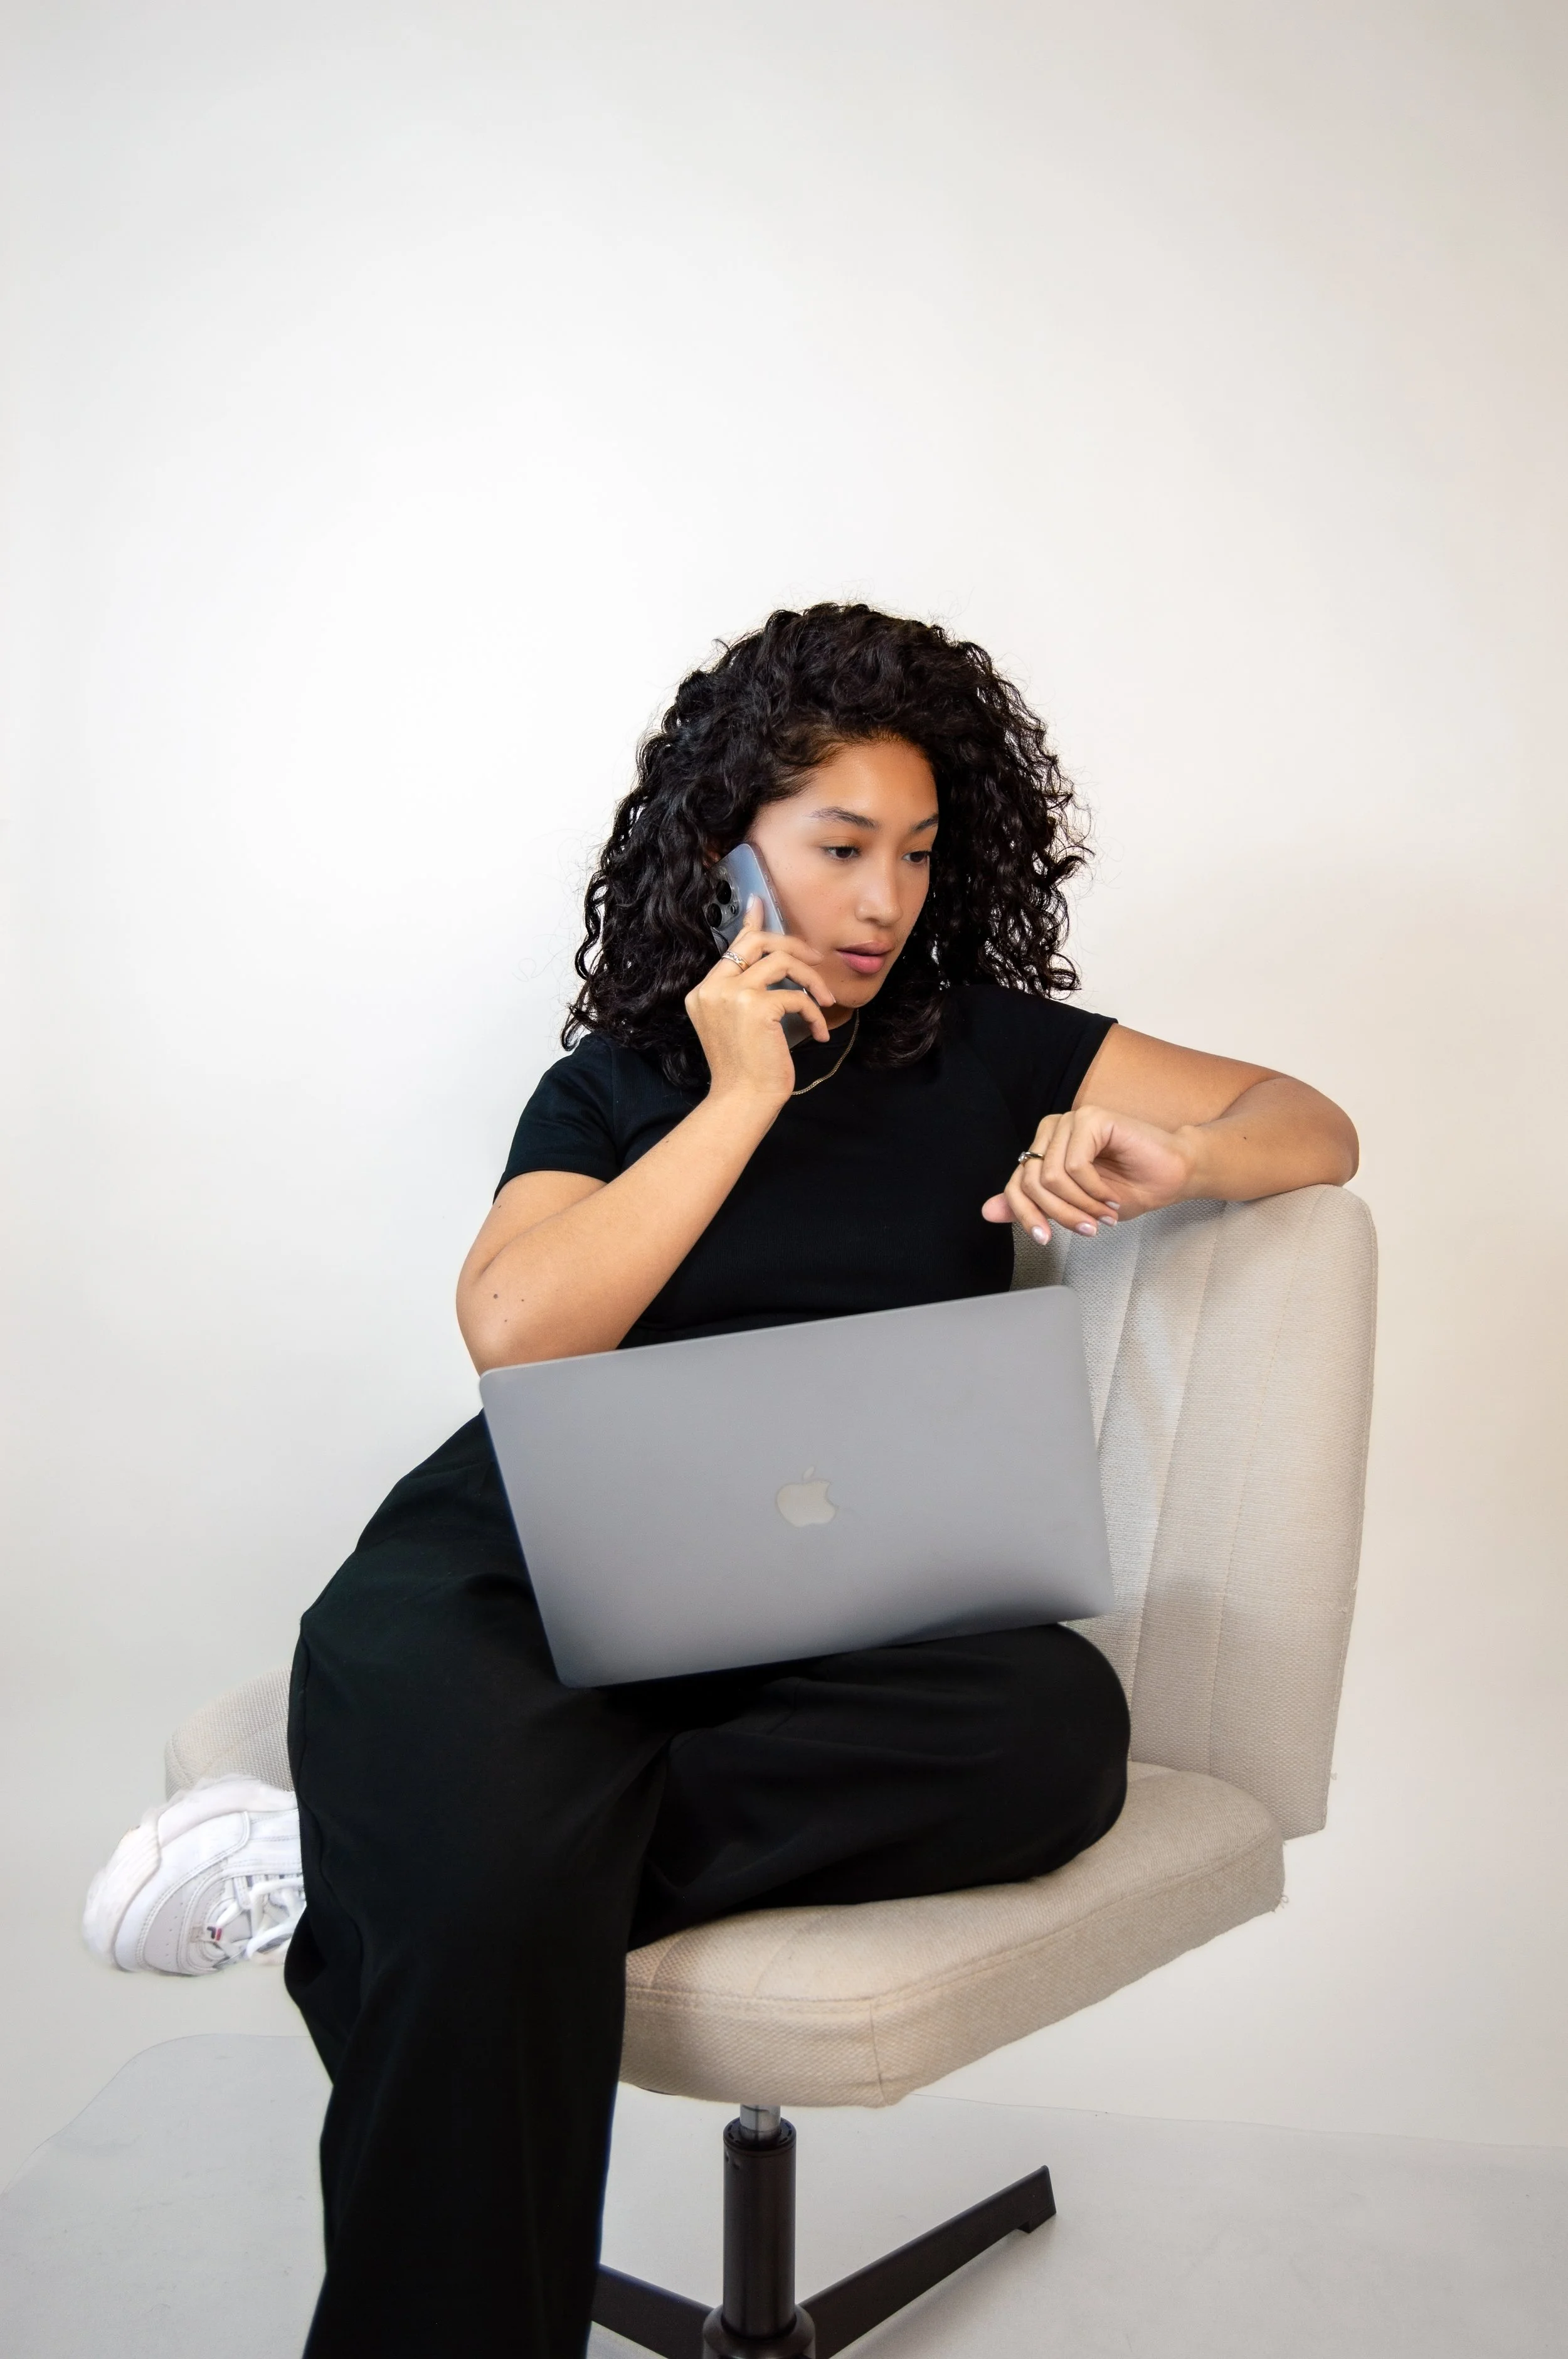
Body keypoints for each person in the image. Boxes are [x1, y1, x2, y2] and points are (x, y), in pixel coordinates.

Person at [108, 605, 1359, 2356]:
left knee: (1049, 1732)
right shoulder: (617, 1083)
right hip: (522, 1570)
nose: (881, 902)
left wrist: (1178, 1157)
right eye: (838, 849)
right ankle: (439, 1868)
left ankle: (379, 1863)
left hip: (829, 1603)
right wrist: (737, 1098)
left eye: (916, 854)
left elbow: (1311, 1122)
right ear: (727, 858)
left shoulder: (987, 1048)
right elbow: (518, 1336)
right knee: (471, 1820)